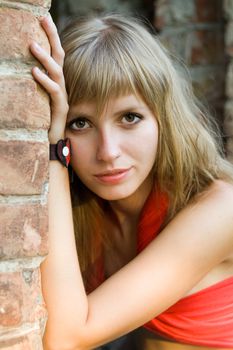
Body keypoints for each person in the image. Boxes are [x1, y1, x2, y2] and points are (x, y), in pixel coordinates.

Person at [30, 12, 233, 350]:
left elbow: (66, 337)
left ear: (163, 119)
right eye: (80, 123)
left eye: (129, 117)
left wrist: (55, 152)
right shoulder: (82, 209)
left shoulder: (221, 209)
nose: (108, 152)